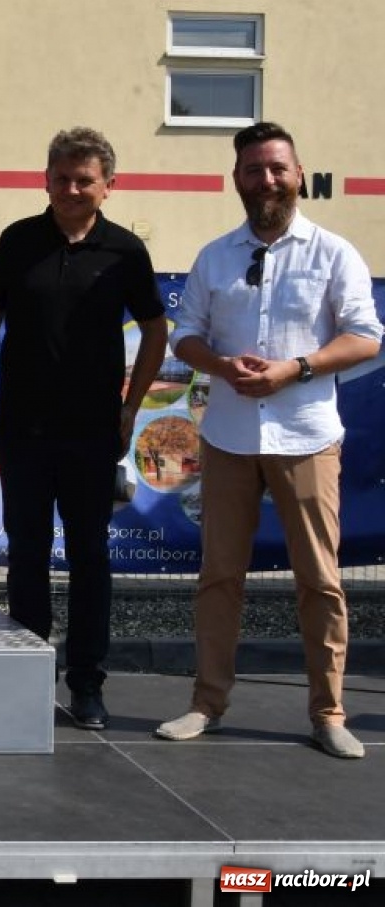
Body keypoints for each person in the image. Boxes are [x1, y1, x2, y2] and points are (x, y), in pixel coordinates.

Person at [155, 122, 381, 760]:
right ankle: (206, 704)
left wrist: (296, 369)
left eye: (278, 168)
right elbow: (184, 335)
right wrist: (222, 366)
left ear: (299, 174)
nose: (267, 181)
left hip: (307, 438)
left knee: (320, 580)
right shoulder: (214, 256)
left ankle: (328, 713)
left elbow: (366, 337)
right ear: (237, 180)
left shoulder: (334, 252)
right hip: (228, 436)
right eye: (254, 170)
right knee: (219, 577)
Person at [0, 128, 166, 731]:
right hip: (23, 429)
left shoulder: (125, 252)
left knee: (92, 557)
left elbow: (155, 329)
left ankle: (88, 684)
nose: (71, 189)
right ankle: (28, 673)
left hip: (94, 432)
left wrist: (131, 405)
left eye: (83, 180)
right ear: (46, 181)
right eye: (61, 178)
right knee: (27, 555)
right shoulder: (18, 241)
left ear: (108, 188)